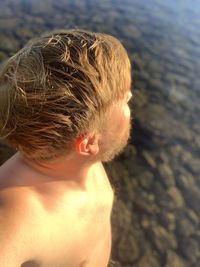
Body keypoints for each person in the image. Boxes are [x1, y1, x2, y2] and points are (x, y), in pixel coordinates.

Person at [0, 29, 132, 267]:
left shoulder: (83, 163)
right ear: (89, 143)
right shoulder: (14, 215)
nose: (131, 96)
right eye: (125, 100)